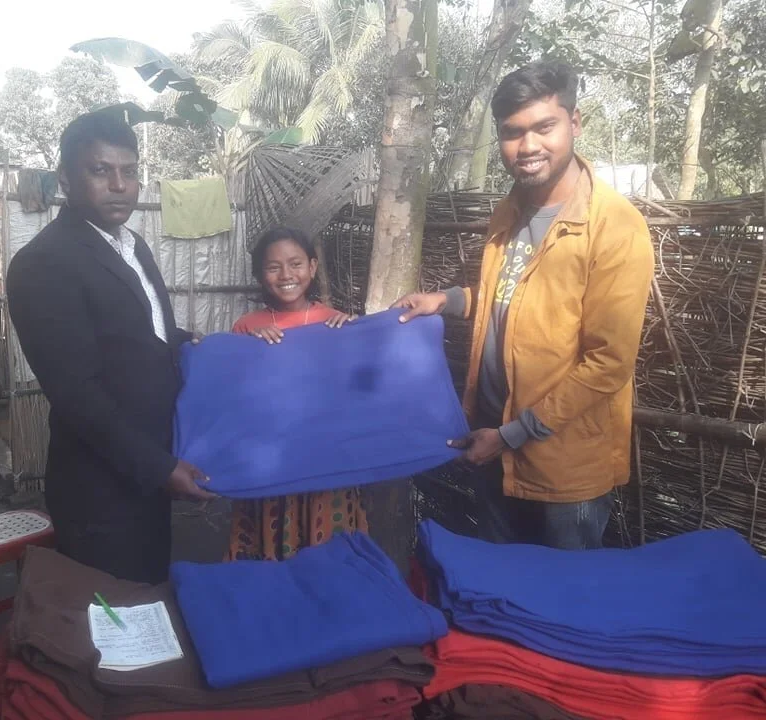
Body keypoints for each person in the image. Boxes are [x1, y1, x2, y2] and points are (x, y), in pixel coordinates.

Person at [395, 61, 653, 550]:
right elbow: (512, 298)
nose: (528, 145)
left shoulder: (614, 226)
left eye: (544, 127)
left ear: (575, 123)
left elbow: (609, 363)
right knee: (502, 581)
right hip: (493, 436)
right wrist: (447, 300)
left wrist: (512, 434)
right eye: (512, 133)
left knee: (565, 589)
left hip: (562, 464)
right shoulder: (510, 210)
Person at [6, 108, 214, 584]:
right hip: (100, 486)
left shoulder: (131, 245)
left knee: (149, 590)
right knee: (111, 608)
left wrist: (186, 340)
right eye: (100, 170)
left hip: (149, 466)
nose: (120, 185)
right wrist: (160, 468)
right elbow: (76, 394)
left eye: (129, 171)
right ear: (66, 178)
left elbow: (139, 331)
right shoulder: (44, 263)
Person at [226, 226, 365, 561]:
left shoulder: (334, 323)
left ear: (312, 267)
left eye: (296, 264)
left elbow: (355, 389)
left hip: (325, 461)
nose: (286, 275)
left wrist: (355, 338)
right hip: (271, 464)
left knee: (328, 550)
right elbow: (233, 393)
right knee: (271, 547)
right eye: (273, 267)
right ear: (260, 275)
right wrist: (249, 348)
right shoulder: (247, 327)